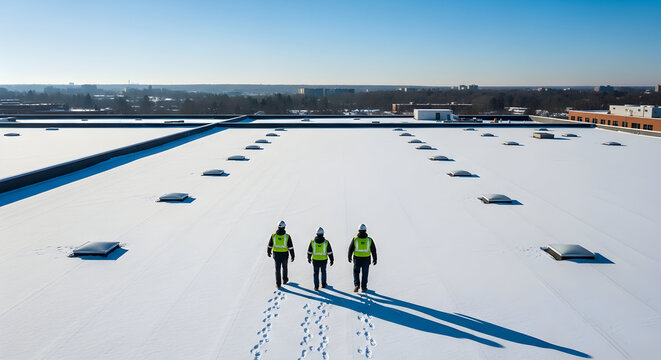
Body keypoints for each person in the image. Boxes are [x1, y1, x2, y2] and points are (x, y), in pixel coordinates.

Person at [348, 224, 377, 293]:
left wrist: (349, 256)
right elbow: (373, 250)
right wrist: (375, 259)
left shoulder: (355, 239)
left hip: (357, 259)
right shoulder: (369, 240)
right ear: (365, 230)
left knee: (356, 273)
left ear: (358, 230)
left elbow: (351, 248)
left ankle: (356, 285)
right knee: (365, 274)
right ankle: (364, 288)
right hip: (366, 260)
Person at [267, 220, 295, 288]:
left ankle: (278, 284)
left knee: (277, 269)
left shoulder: (273, 236)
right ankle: (285, 280)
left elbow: (270, 245)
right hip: (284, 255)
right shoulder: (287, 236)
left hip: (276, 255)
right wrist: (292, 255)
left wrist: (268, 251)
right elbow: (290, 247)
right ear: (284, 227)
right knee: (285, 267)